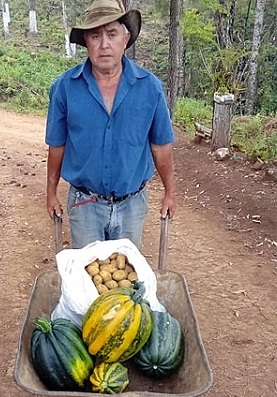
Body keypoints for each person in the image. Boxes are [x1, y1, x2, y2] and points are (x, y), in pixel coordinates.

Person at [45, 0, 176, 249]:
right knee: (89, 278)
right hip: (84, 204)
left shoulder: (150, 88)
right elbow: (57, 146)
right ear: (86, 42)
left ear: (125, 39)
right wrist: (51, 192)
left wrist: (170, 192)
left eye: (112, 34)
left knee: (125, 278)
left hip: (132, 205)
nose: (104, 44)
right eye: (95, 36)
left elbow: (161, 146)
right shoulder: (64, 88)